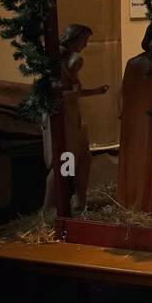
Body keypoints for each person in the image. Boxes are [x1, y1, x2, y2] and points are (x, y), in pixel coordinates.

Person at [42, 23, 108, 213]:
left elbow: (72, 92)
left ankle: (76, 199)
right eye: (85, 40)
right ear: (75, 38)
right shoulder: (72, 60)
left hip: (71, 116)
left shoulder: (65, 60)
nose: (86, 44)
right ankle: (52, 205)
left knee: (82, 158)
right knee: (64, 159)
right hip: (63, 117)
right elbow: (60, 93)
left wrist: (95, 91)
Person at [117, 24, 152, 214]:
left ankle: (145, 199)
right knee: (142, 156)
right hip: (141, 121)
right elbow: (125, 92)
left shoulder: (140, 64)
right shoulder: (140, 64)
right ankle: (142, 200)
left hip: (147, 120)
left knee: (147, 155)